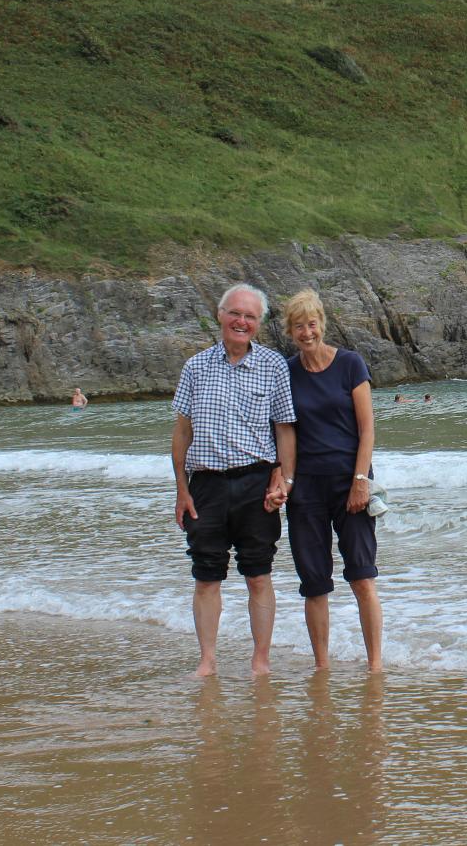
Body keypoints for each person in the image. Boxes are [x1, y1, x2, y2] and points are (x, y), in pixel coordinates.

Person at [171, 283, 295, 678]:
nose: (242, 321)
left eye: (250, 316)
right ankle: (207, 661)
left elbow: (285, 430)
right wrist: (181, 489)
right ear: (220, 316)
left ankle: (261, 661)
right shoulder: (195, 366)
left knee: (258, 573)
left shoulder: (275, 366)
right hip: (205, 484)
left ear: (258, 324)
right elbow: (182, 431)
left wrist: (284, 480)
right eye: (235, 313)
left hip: (256, 483)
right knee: (206, 575)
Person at [280, 288, 382, 670]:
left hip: (349, 484)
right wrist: (284, 480)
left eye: (312, 324)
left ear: (322, 323)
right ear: (289, 332)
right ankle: (322, 666)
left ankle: (375, 666)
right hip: (306, 489)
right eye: (298, 327)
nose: (307, 333)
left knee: (362, 577)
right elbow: (285, 431)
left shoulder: (351, 364)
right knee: (314, 582)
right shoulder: (286, 372)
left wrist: (360, 480)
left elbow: (367, 429)